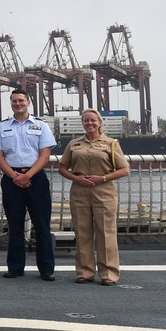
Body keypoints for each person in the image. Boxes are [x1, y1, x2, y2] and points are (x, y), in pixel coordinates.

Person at [57, 108, 129, 286]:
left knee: (106, 233)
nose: (89, 123)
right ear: (82, 123)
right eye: (86, 121)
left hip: (104, 191)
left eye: (93, 120)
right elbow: (62, 167)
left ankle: (109, 274)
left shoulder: (111, 143)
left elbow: (124, 169)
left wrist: (102, 178)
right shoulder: (74, 144)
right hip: (79, 191)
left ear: (100, 123)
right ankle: (84, 272)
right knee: (82, 233)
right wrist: (76, 178)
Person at [0, 89, 57, 280]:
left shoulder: (41, 126)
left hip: (36, 178)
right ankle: (15, 267)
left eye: (21, 100)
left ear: (28, 102)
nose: (17, 104)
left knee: (42, 225)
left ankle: (46, 269)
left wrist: (27, 175)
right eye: (14, 101)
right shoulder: (1, 128)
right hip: (11, 179)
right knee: (15, 225)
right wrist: (15, 176)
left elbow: (45, 155)